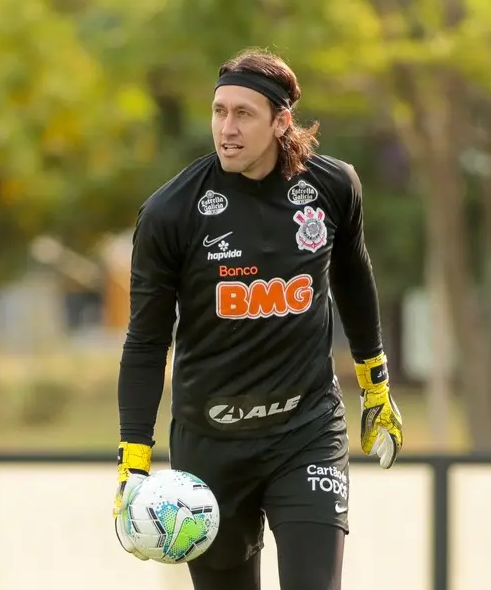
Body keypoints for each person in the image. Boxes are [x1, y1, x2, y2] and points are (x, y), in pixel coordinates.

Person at [111, 47, 404, 590]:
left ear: (280, 121)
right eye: (219, 111)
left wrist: (376, 384)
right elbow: (147, 341)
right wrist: (134, 459)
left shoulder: (332, 187)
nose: (227, 128)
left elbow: (354, 282)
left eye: (243, 113)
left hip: (306, 430)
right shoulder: (170, 213)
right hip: (211, 443)